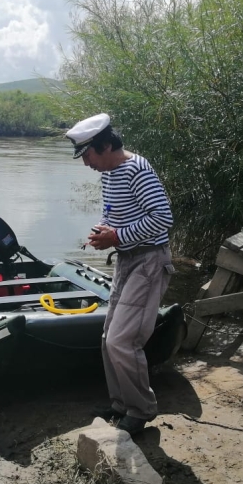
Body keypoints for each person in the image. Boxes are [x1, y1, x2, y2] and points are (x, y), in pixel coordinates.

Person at [65, 112, 175, 436]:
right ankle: (121, 405)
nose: (86, 163)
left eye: (88, 155)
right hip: (127, 260)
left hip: (149, 262)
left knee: (121, 340)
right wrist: (103, 231)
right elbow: (113, 213)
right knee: (107, 339)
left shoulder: (136, 169)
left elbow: (163, 218)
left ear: (106, 144)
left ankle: (141, 410)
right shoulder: (109, 173)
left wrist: (117, 237)